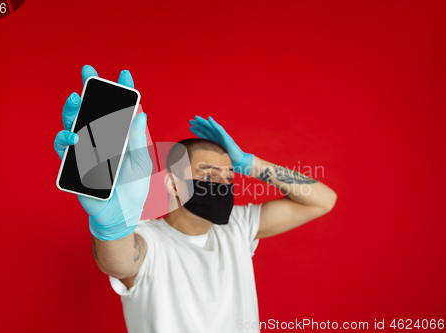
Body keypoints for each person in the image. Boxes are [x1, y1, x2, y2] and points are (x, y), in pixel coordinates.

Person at [54, 65, 337, 333]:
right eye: (210, 174)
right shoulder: (146, 239)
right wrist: (111, 229)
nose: (223, 185)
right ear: (173, 183)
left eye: (229, 177)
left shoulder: (237, 227)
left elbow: (322, 200)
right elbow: (119, 263)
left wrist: (249, 164)